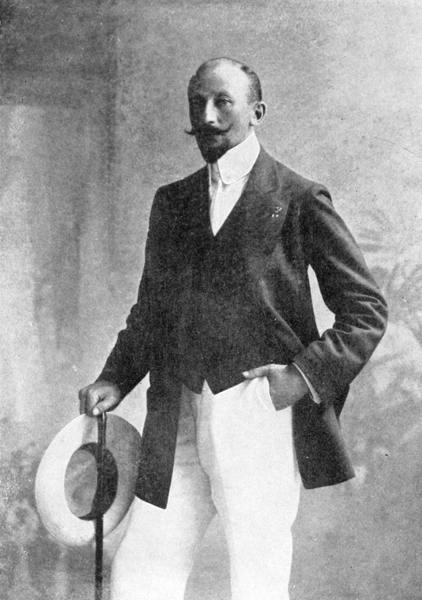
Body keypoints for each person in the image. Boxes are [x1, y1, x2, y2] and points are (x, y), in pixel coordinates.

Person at [79, 57, 388, 600]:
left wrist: (301, 377)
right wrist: (115, 377)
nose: (207, 115)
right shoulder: (172, 202)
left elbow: (366, 309)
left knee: (257, 582)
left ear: (256, 111)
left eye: (223, 101)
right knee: (139, 575)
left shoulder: (299, 198)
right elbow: (151, 310)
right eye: (197, 103)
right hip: (177, 408)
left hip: (256, 412)